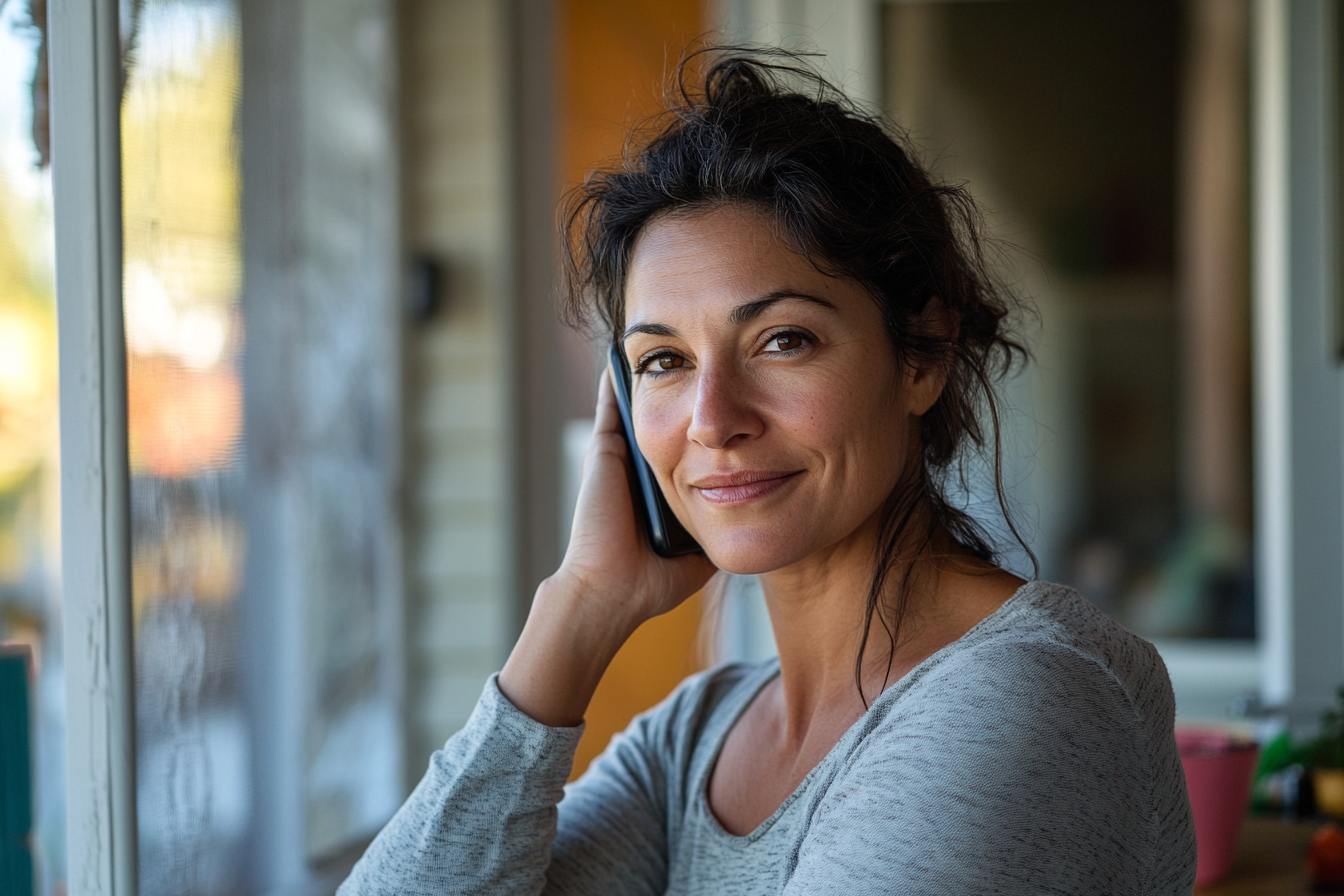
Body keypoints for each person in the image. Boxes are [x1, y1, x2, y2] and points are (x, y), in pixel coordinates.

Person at [340, 49, 1196, 895]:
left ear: (923, 355)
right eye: (663, 361)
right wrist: (579, 609)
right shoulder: (694, 743)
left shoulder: (1023, 700)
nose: (712, 420)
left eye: (783, 340)